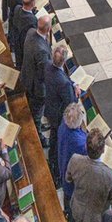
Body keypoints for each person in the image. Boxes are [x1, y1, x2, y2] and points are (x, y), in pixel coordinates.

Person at [44, 46, 76, 184]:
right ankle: (56, 172)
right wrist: (76, 92)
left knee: (53, 136)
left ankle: (51, 157)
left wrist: (72, 84)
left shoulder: (47, 66)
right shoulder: (64, 83)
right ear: (64, 60)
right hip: (58, 115)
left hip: (50, 108)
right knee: (58, 142)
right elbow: (71, 103)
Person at [21, 13, 52, 124]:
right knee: (37, 112)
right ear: (48, 29)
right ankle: (38, 129)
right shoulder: (42, 51)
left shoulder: (30, 32)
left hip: (26, 76)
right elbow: (43, 73)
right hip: (37, 87)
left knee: (32, 105)